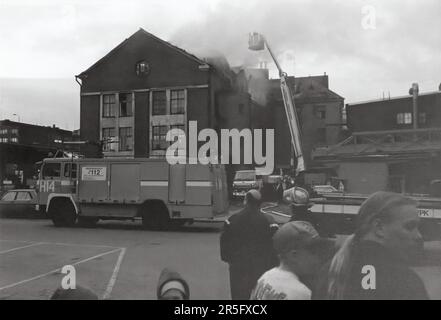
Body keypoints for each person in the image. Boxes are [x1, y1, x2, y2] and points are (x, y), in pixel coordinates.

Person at [314, 191, 428, 300]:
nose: (419, 236)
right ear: (379, 227)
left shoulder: (329, 271)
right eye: (409, 227)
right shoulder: (403, 280)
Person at [250, 221, 334, 300]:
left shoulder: (266, 276)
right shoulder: (300, 292)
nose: (317, 258)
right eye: (313, 253)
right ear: (294, 255)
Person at [220, 189, 278, 300]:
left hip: (238, 266)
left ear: (245, 201)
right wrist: (273, 264)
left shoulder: (232, 220)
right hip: (262, 267)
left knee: (239, 296)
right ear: (260, 203)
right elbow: (275, 245)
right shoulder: (270, 222)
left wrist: (230, 260)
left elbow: (224, 243)